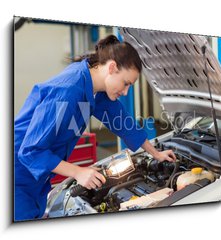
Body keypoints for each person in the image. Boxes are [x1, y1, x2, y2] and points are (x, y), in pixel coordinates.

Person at [14, 34, 176, 221]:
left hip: (37, 179)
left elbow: (123, 122)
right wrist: (78, 172)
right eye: (126, 83)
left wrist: (155, 154)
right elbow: (30, 152)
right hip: (17, 176)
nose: (125, 92)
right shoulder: (69, 90)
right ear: (112, 67)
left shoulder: (94, 86)